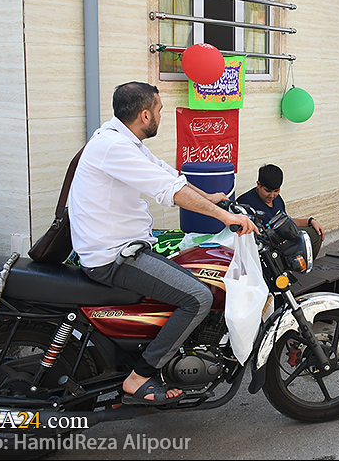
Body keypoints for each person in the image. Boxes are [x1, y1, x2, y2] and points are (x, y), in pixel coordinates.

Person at [69, 82, 257, 406]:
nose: (160, 115)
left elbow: (170, 177)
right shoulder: (115, 147)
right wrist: (224, 218)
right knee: (198, 297)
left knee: (190, 275)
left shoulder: (122, 140)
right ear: (144, 115)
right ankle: (139, 377)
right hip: (115, 258)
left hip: (124, 248)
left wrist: (209, 198)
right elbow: (168, 191)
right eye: (158, 110)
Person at [237, 164, 324, 258]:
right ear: (258, 184)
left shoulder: (277, 199)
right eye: (267, 191)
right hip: (266, 248)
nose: (272, 195)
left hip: (283, 239)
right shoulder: (245, 203)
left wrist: (310, 221)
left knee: (315, 233)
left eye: (276, 191)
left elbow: (287, 222)